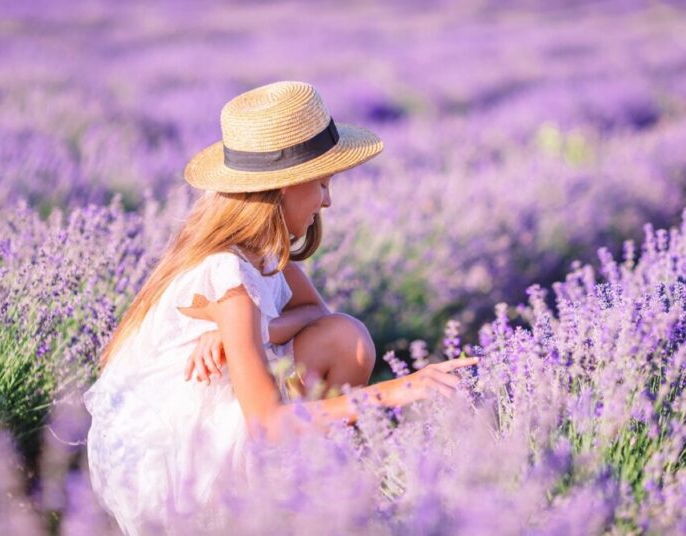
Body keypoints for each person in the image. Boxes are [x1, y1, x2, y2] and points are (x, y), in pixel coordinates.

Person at [83, 80, 478, 535]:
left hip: (229, 410)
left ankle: (315, 493)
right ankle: (305, 502)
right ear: (284, 188)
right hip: (188, 459)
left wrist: (252, 334)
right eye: (323, 184)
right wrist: (398, 390)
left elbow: (321, 315)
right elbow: (267, 423)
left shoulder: (262, 252)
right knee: (335, 364)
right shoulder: (228, 273)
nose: (328, 199)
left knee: (345, 336)